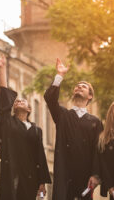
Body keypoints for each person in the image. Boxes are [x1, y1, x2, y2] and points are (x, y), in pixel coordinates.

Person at [0, 55, 51, 200]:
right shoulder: (8, 122)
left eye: (23, 101)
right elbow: (4, 97)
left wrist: (41, 182)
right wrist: (2, 68)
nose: (18, 102)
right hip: (12, 173)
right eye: (16, 101)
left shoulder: (36, 129)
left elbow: (40, 156)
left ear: (29, 109)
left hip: (30, 176)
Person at [44, 58, 103, 200]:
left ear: (90, 96)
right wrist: (60, 75)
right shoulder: (63, 115)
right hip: (64, 173)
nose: (79, 87)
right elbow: (50, 98)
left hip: (85, 175)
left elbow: (98, 150)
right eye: (77, 86)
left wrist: (96, 175)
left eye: (83, 86)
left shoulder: (95, 122)